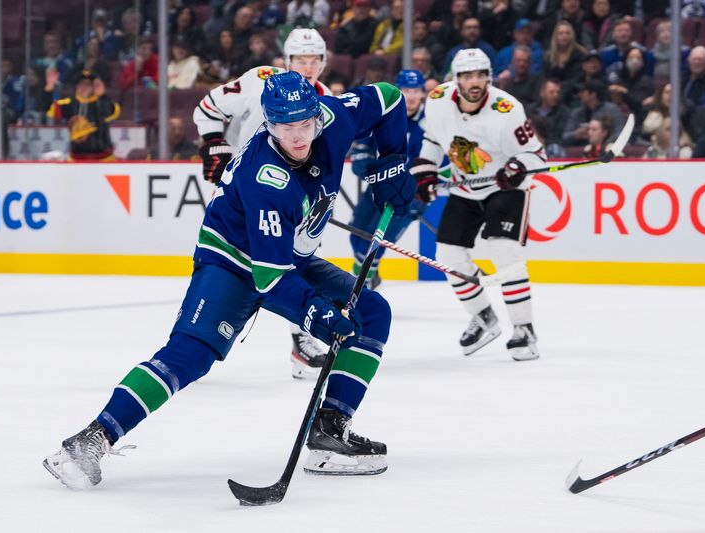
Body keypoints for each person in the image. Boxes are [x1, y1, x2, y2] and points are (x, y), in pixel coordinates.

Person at [43, 70, 415, 489]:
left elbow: (388, 99)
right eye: (285, 127)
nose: (297, 136)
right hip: (232, 262)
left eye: (305, 124)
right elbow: (270, 278)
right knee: (190, 355)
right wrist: (315, 314)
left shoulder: (333, 117)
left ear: (317, 114)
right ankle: (92, 438)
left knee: (371, 311)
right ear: (268, 124)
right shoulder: (266, 177)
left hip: (291, 256)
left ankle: (330, 431)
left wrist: (392, 162)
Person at [193, 28, 333, 379]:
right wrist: (214, 144)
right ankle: (196, 334)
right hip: (241, 200)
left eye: (314, 59)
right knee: (224, 266)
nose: (307, 66)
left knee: (295, 264)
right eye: (300, 59)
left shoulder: (325, 99)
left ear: (323, 62)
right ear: (287, 61)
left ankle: (302, 341)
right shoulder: (259, 80)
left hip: (292, 204)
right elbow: (208, 108)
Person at [410, 49, 545, 361]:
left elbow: (537, 155)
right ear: (456, 79)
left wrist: (517, 167)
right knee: (447, 253)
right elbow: (432, 141)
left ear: (489, 76)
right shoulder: (439, 100)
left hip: (505, 188)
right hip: (466, 188)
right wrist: (425, 173)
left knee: (504, 250)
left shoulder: (507, 109)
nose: (475, 82)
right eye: (467, 76)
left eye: (480, 75)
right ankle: (483, 316)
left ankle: (524, 328)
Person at [348, 70, 429, 288]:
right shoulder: (387, 112)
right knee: (356, 236)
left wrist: (422, 196)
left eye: (416, 91)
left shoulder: (430, 121)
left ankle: (359, 289)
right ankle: (367, 278)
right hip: (379, 187)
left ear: (423, 93)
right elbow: (364, 141)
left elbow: (442, 163)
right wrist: (361, 156)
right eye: (406, 90)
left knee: (373, 245)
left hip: (408, 196)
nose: (411, 96)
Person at [46, 70, 120, 161]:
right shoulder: (69, 103)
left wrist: (102, 95)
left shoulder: (102, 102)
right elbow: (49, 111)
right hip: (77, 158)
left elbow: (113, 112)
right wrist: (49, 89)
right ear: (77, 86)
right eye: (82, 84)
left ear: (93, 87)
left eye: (88, 84)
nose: (85, 87)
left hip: (104, 158)